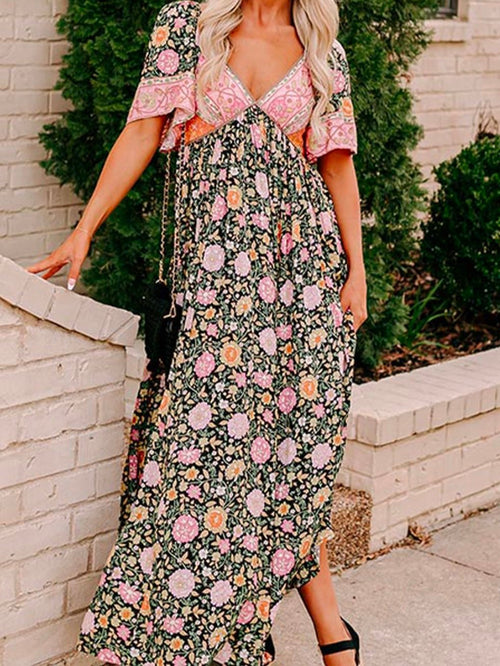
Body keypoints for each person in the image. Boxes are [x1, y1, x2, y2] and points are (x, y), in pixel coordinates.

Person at [27, 0, 367, 664]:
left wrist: (357, 271)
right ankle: (265, 635)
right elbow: (142, 131)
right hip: (214, 291)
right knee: (199, 465)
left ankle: (315, 634)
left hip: (304, 288)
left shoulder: (323, 50)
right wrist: (85, 227)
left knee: (291, 464)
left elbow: (337, 166)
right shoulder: (187, 25)